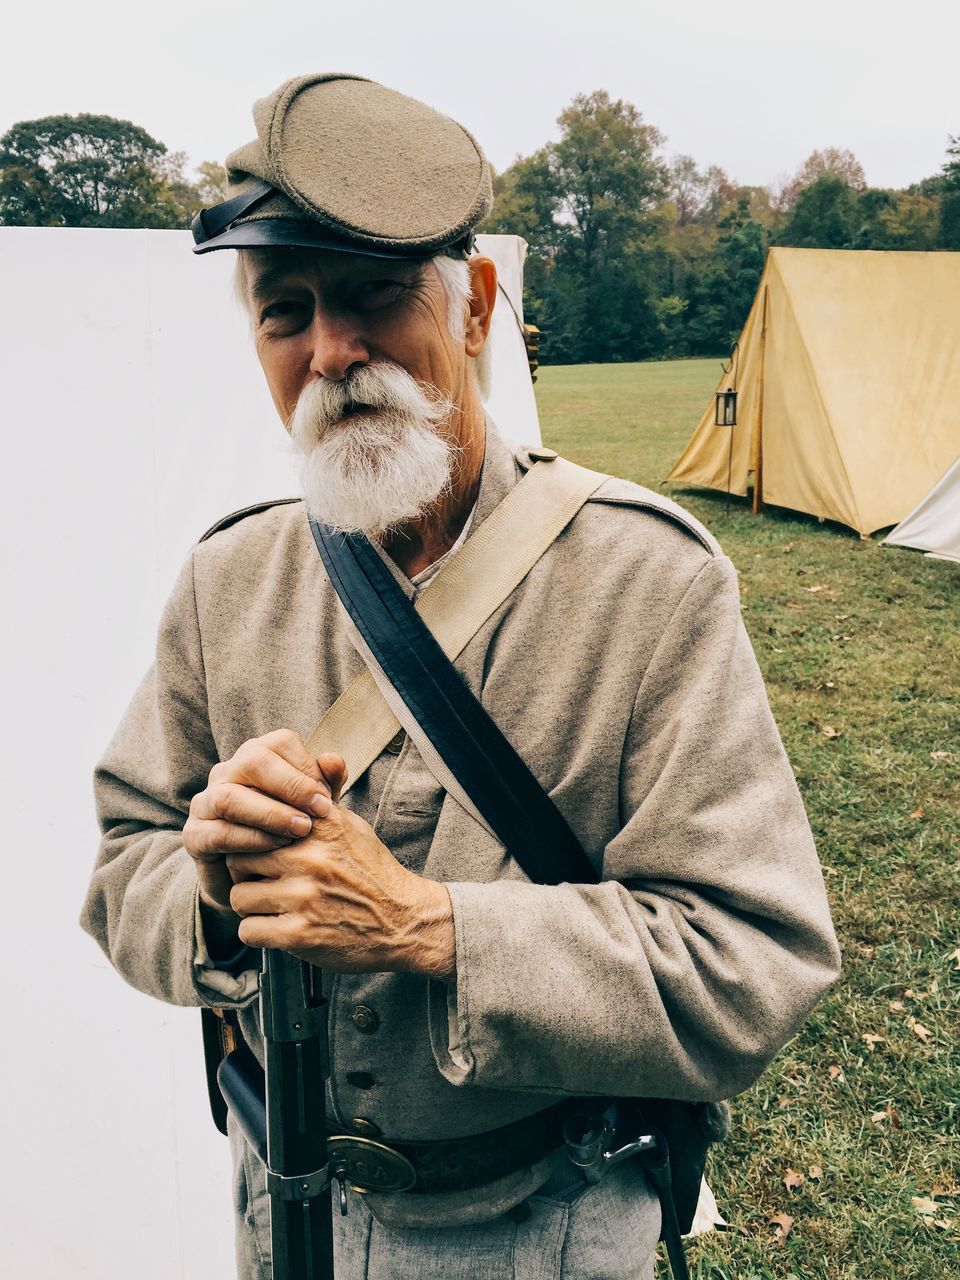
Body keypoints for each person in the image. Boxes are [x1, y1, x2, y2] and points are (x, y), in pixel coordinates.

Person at [81, 73, 841, 1280]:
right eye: (287, 310)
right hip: (279, 1209)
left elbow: (755, 957)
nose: (332, 349)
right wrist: (213, 890)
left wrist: (431, 925)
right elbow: (123, 861)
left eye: (377, 294)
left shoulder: (652, 582)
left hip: (544, 1221)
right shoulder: (226, 581)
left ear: (477, 304)